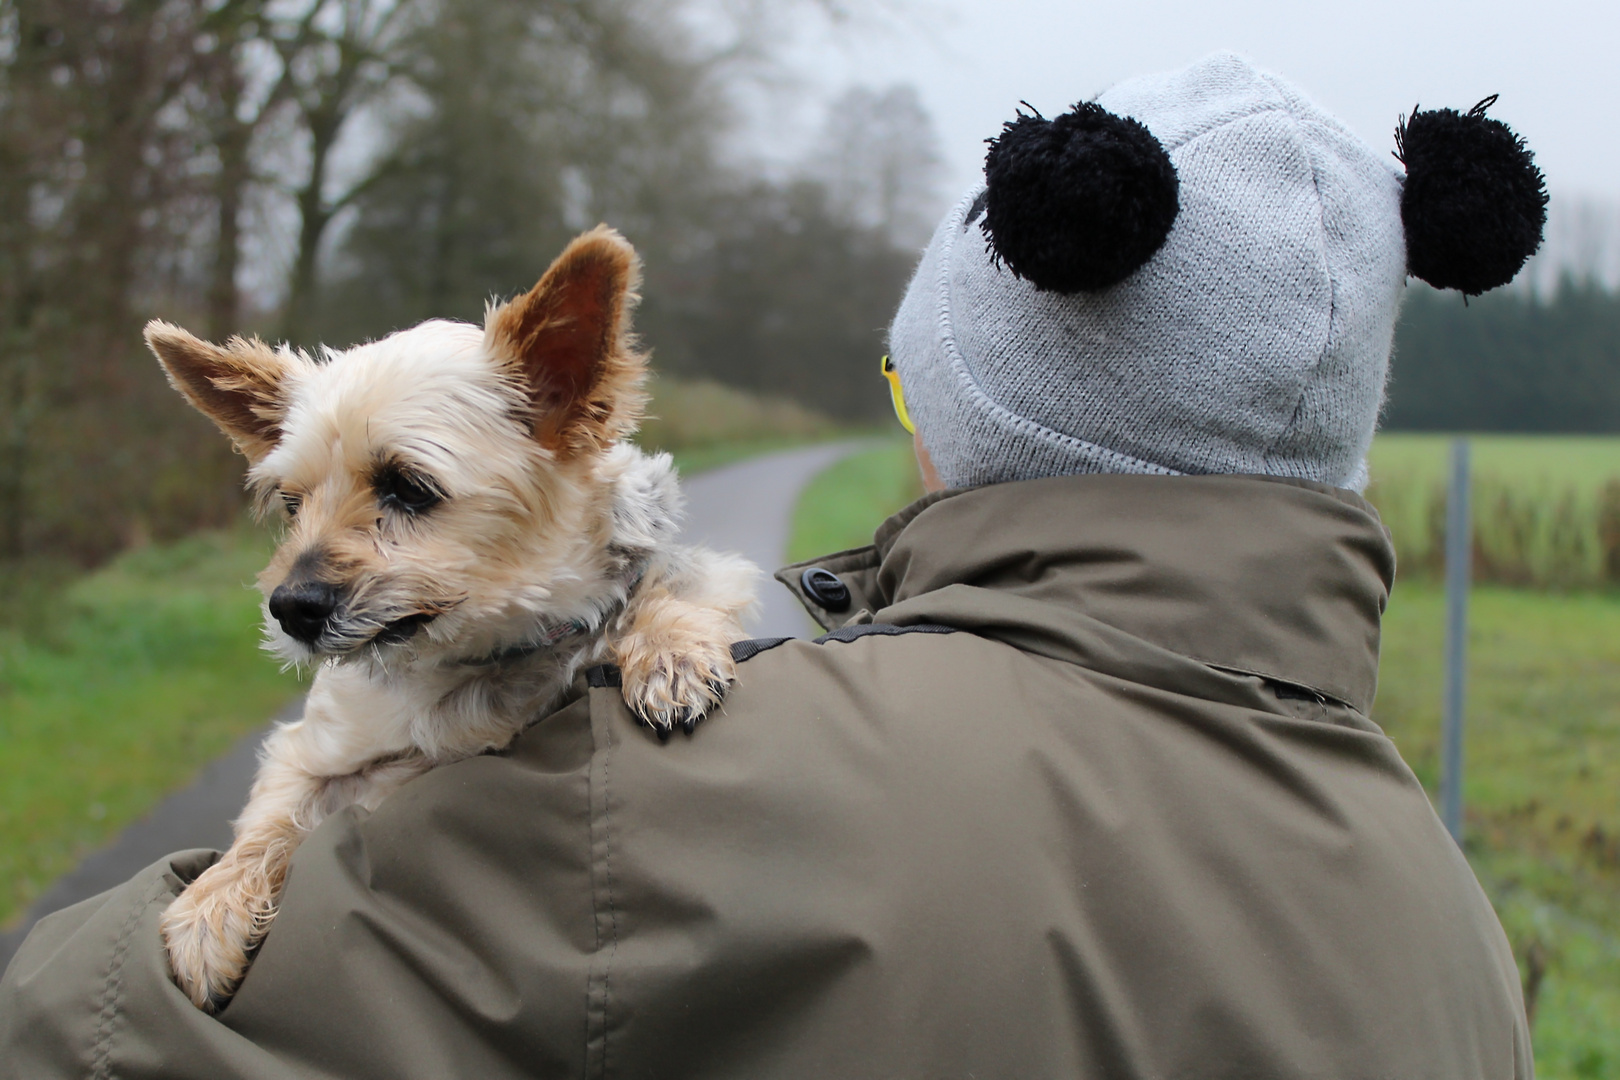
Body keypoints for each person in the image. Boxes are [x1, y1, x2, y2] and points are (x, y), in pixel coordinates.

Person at [0, 52, 1540, 1078]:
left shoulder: (670, 780)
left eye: (902, 383)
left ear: (956, 419)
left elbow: (80, 1036)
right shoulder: (1459, 928)